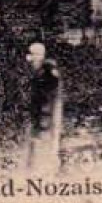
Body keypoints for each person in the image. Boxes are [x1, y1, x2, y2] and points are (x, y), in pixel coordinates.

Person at [23, 41, 63, 174]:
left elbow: (52, 93)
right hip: (39, 111)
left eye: (32, 54)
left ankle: (50, 168)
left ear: (40, 55)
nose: (29, 58)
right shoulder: (38, 71)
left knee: (48, 139)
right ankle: (31, 167)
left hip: (48, 111)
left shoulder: (48, 71)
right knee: (34, 138)